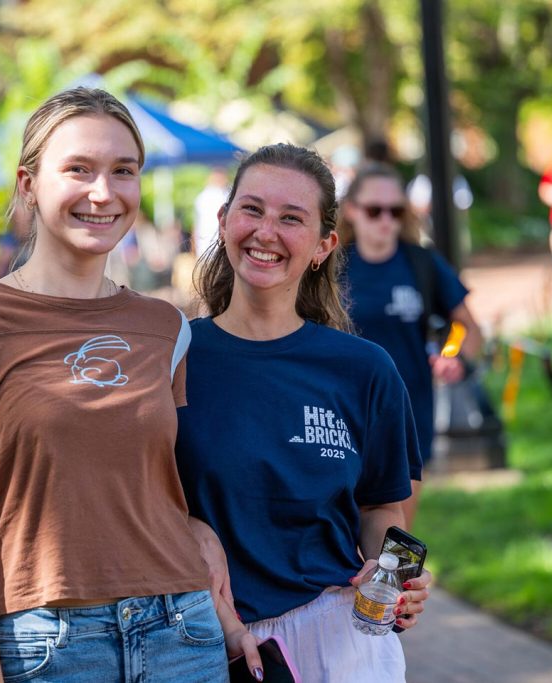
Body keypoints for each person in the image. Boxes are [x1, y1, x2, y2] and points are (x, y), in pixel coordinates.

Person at [0, 87, 251, 682]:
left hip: (183, 634)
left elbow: (160, 487)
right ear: (28, 183)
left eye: (124, 171)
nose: (104, 193)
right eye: (79, 169)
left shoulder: (165, 326)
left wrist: (206, 554)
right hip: (47, 647)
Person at [176, 143, 432, 683]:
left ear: (323, 245)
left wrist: (396, 581)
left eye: (291, 218)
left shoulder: (364, 369)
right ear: (223, 222)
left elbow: (382, 507)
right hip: (209, 642)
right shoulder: (172, 357)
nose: (266, 232)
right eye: (252, 210)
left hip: (340, 641)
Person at [339, 163, 482, 524]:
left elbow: (469, 327)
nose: (386, 219)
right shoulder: (329, 268)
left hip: (408, 416)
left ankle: (397, 585)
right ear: (352, 210)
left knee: (393, 541)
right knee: (343, 535)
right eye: (374, 210)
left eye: (395, 210)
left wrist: (458, 360)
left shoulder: (421, 263)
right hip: (340, 414)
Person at [193, 167, 229, 257]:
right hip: (217, 244)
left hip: (204, 245)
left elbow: (196, 225)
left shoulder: (201, 196)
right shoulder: (223, 195)